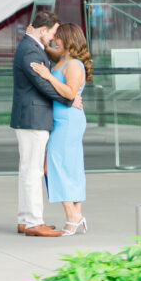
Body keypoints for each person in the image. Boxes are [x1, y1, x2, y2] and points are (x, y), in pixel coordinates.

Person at [10, 9, 77, 237]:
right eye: (53, 32)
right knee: (33, 171)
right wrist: (69, 98)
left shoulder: (32, 46)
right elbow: (43, 85)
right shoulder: (30, 50)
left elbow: (46, 64)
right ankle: (33, 222)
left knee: (28, 170)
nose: (53, 38)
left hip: (31, 117)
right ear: (42, 30)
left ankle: (25, 219)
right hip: (33, 118)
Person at [31, 22, 92, 236]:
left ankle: (73, 215)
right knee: (70, 167)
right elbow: (46, 48)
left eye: (58, 36)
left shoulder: (74, 64)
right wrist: (35, 35)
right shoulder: (63, 59)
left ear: (67, 39)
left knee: (54, 167)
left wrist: (48, 76)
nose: (55, 39)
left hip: (68, 121)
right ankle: (76, 215)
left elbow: (69, 93)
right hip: (61, 120)